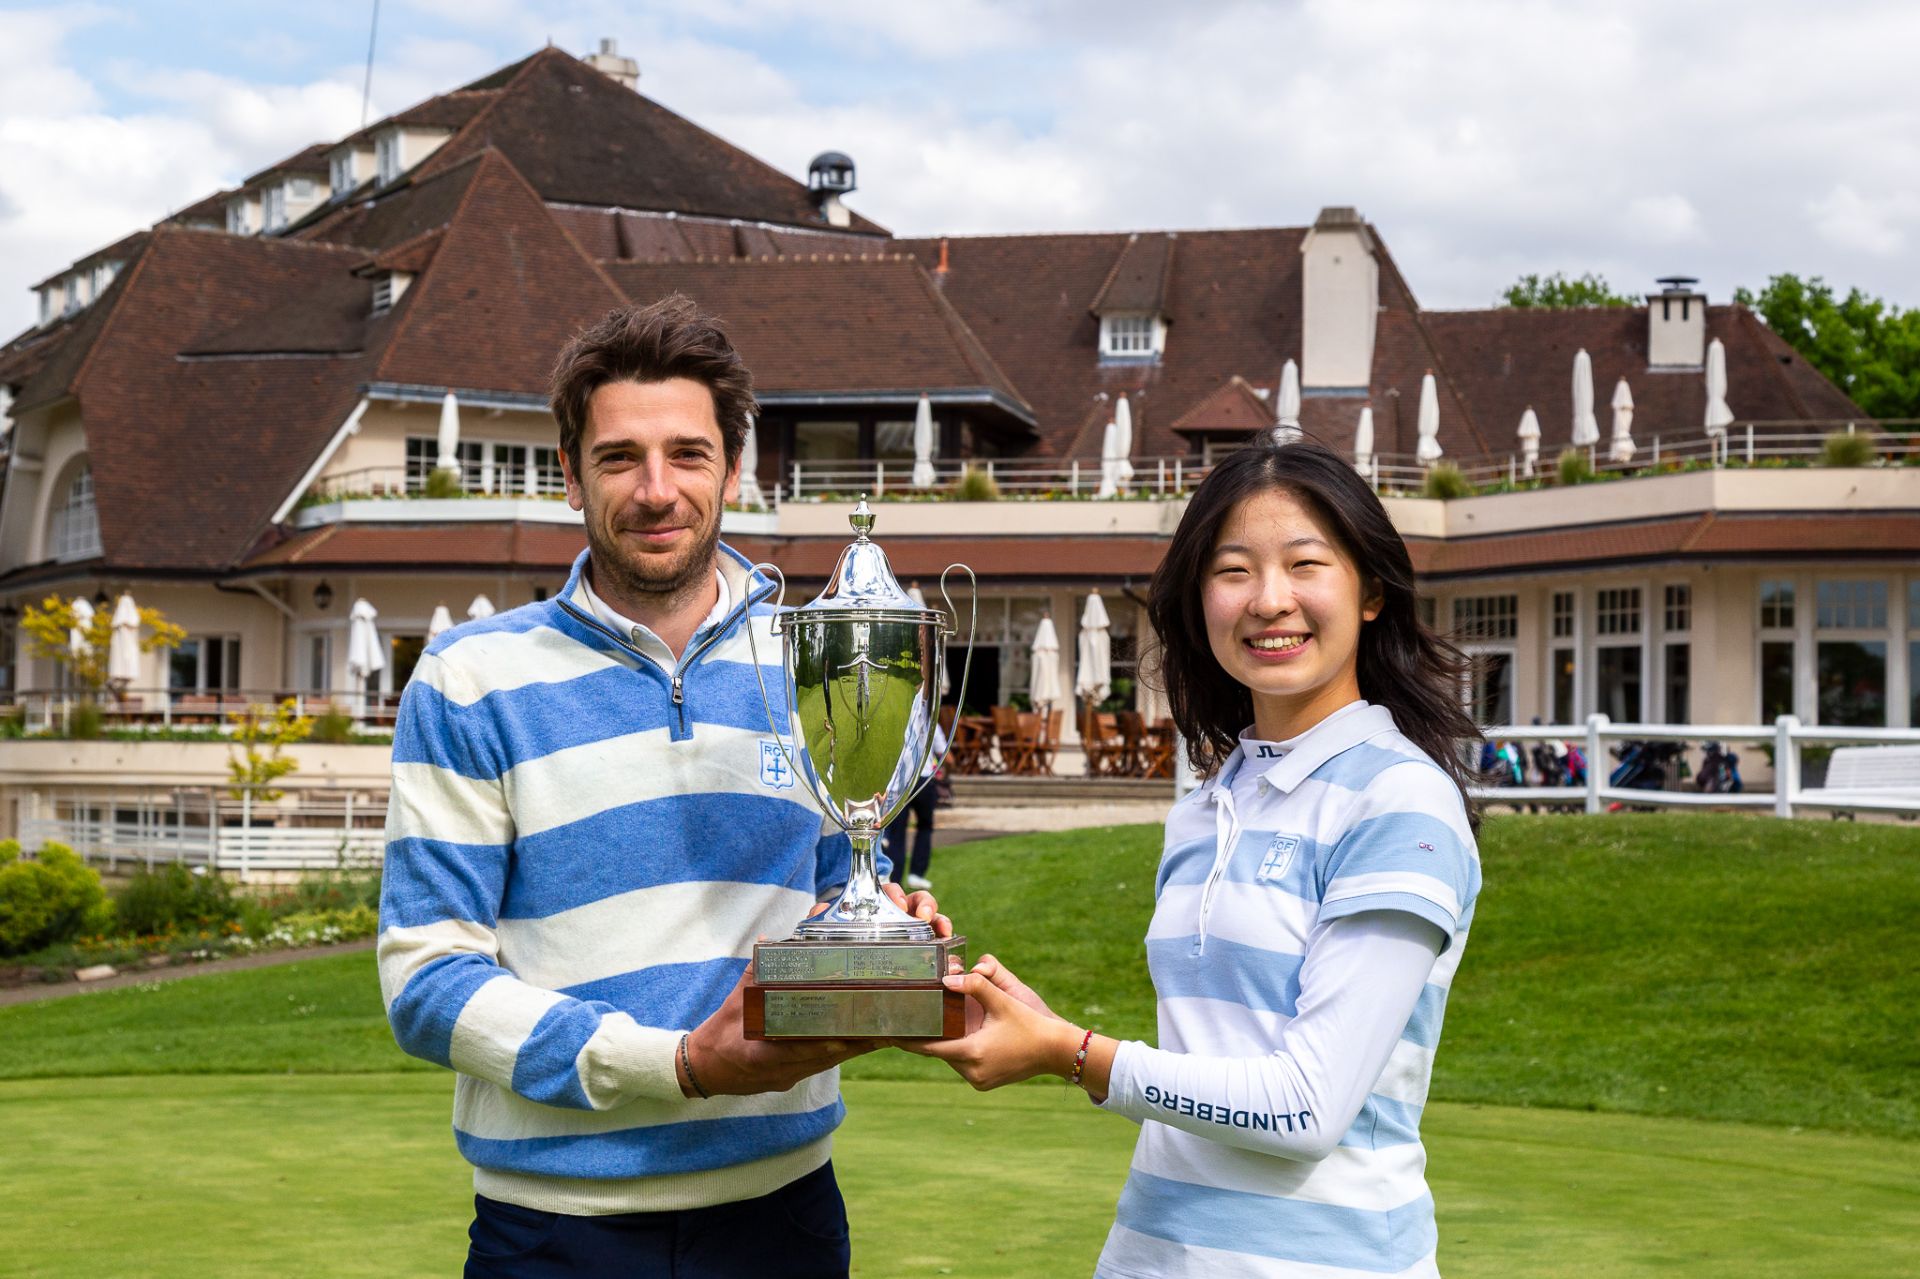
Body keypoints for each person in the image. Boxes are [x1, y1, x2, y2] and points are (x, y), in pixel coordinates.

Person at [377, 295, 949, 1278]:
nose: (656, 489)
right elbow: (426, 980)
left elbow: (828, 893)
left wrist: (882, 925)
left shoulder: (811, 658)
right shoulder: (471, 678)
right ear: (569, 477)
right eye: (618, 458)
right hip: (554, 1231)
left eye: (688, 453)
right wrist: (674, 1066)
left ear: (734, 469)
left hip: (786, 1214)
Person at [912, 440, 1483, 1277]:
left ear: (1371, 592)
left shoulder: (1401, 800)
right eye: (1234, 570)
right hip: (1151, 1254)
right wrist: (1037, 1022)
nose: (1270, 600)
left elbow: (1307, 1108)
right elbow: (1211, 1059)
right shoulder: (1204, 808)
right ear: (1198, 598)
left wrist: (1071, 1052)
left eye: (1305, 564)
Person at [886, 718, 947, 892]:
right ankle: (916, 873)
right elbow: (943, 752)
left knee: (898, 832)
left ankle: (895, 879)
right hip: (923, 777)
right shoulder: (930, 720)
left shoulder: (899, 718)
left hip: (900, 780)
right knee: (925, 826)